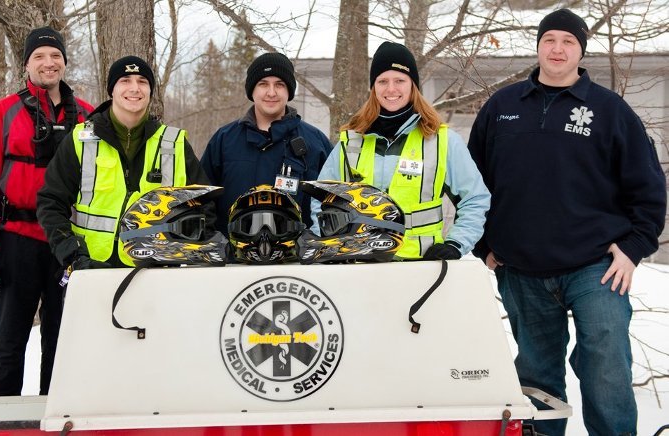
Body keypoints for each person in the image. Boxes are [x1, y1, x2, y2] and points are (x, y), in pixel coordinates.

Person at [467, 9, 666, 436]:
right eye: (550, 39)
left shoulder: (610, 110)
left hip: (597, 267)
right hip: (520, 268)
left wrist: (633, 247)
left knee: (606, 366)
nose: (558, 48)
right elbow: (471, 183)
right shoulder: (502, 107)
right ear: (538, 46)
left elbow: (648, 186)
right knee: (537, 378)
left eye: (568, 41)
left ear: (581, 50)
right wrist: (484, 244)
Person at [0, 27, 94, 396]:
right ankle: (1, 422)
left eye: (55, 56)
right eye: (39, 56)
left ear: (64, 63)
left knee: (62, 343)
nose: (48, 63)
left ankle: (55, 417)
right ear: (26, 64)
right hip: (15, 241)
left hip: (66, 245)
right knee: (8, 344)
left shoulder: (87, 117)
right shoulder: (2, 113)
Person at [37, 55, 216, 272]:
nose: (135, 88)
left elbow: (204, 207)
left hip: (156, 273)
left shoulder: (174, 143)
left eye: (142, 81)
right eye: (125, 81)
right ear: (112, 89)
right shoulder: (81, 140)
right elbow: (51, 203)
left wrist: (183, 251)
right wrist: (71, 253)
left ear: (150, 91)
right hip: (90, 269)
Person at [314, 41, 490, 260]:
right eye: (383, 81)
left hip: (422, 266)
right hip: (360, 265)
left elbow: (475, 199)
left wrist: (456, 243)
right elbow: (321, 200)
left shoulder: (442, 141)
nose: (391, 89)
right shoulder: (350, 141)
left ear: (413, 85)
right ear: (373, 87)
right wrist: (330, 244)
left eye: (399, 80)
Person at [200, 52, 333, 233]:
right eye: (263, 84)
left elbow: (333, 204)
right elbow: (202, 202)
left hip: (299, 258)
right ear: (252, 90)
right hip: (234, 258)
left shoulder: (315, 142)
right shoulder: (224, 140)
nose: (271, 92)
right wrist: (216, 245)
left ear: (289, 91)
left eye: (279, 84)